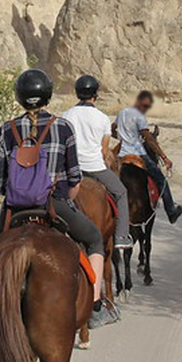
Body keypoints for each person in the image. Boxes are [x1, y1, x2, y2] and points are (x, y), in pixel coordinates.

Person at [0, 69, 118, 331]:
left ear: (20, 98)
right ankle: (94, 308)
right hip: (53, 204)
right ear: (47, 96)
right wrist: (66, 201)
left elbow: (2, 185)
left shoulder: (7, 129)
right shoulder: (62, 126)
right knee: (93, 239)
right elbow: (74, 179)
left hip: (15, 208)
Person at [61, 75, 132, 250]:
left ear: (77, 93)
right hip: (94, 168)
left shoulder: (65, 115)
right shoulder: (102, 118)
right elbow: (103, 151)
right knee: (121, 192)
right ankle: (121, 236)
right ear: (95, 96)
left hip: (70, 168)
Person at [114, 91, 182, 224]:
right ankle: (171, 211)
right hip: (137, 154)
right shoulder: (139, 117)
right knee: (161, 180)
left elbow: (113, 128)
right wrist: (164, 158)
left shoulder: (122, 112)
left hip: (121, 156)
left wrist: (121, 139)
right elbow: (149, 140)